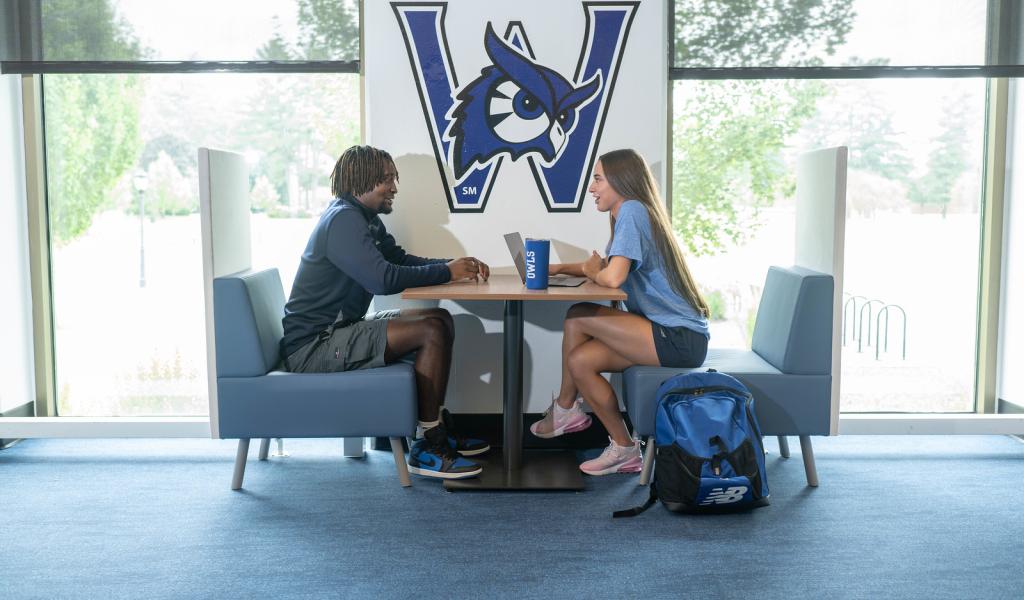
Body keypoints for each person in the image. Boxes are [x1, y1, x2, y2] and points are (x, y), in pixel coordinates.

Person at [280, 145, 491, 480]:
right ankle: (427, 446)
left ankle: (432, 428)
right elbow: (381, 279)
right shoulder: (343, 220)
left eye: (394, 178)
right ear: (359, 180)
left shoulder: (364, 219)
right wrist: (448, 272)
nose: (394, 186)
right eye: (386, 179)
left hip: (338, 331)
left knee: (439, 320)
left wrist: (451, 266)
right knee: (431, 330)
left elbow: (398, 259)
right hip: (314, 346)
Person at [529, 148, 710, 475]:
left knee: (578, 314)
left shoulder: (632, 211)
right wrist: (557, 268)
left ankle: (565, 409)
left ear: (620, 181)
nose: (591, 188)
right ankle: (624, 448)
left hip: (681, 338)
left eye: (598, 179)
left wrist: (591, 271)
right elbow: (604, 267)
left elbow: (611, 276)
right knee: (580, 361)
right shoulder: (629, 213)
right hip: (661, 332)